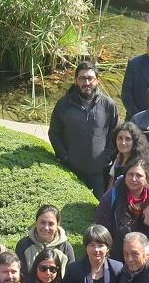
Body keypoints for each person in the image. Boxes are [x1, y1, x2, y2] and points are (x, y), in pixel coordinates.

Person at [49, 60, 121, 195]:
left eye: (90, 78)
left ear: (97, 80)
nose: (86, 83)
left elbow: (116, 133)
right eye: (82, 78)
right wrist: (64, 156)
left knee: (97, 209)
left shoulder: (108, 105)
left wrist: (106, 157)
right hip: (70, 171)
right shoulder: (64, 104)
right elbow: (54, 134)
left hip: (99, 173)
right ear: (76, 81)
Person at [96, 160, 149, 244]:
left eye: (139, 175)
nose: (133, 179)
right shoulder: (110, 197)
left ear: (146, 179)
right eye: (130, 174)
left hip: (148, 248)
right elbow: (103, 229)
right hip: (118, 250)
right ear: (125, 177)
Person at [14, 205, 77, 278]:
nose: (46, 228)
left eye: (51, 224)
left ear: (57, 225)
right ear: (36, 222)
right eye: (42, 222)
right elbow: (20, 276)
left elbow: (71, 277)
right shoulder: (23, 245)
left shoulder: (66, 248)